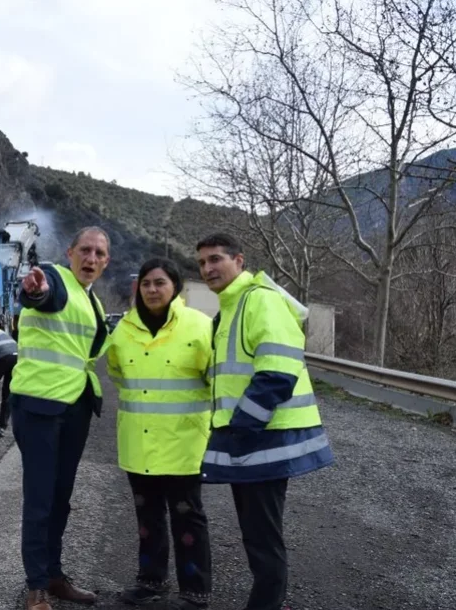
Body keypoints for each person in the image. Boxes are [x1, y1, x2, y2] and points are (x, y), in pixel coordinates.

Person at [195, 233, 334, 610]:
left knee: (262, 537)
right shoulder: (230, 308)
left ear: (239, 261)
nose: (208, 268)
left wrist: (243, 427)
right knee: (257, 533)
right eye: (202, 262)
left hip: (264, 439)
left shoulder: (260, 300)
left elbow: (278, 372)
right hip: (255, 438)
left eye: (216, 259)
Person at [12, 226, 111, 610]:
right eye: (85, 250)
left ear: (106, 262)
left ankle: (53, 574)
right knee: (40, 499)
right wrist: (35, 289)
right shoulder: (55, 277)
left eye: (99, 253)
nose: (91, 258)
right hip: (39, 406)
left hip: (74, 407)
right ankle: (36, 586)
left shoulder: (93, 302)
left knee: (60, 498)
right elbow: (39, 294)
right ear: (70, 253)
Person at [105, 258, 214, 609]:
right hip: (139, 442)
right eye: (146, 283)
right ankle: (151, 581)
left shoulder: (199, 325)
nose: (152, 290)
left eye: (160, 283)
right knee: (147, 519)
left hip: (184, 443)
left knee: (187, 518)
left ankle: (195, 591)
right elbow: (117, 375)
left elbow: (215, 379)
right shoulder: (124, 330)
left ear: (175, 287)